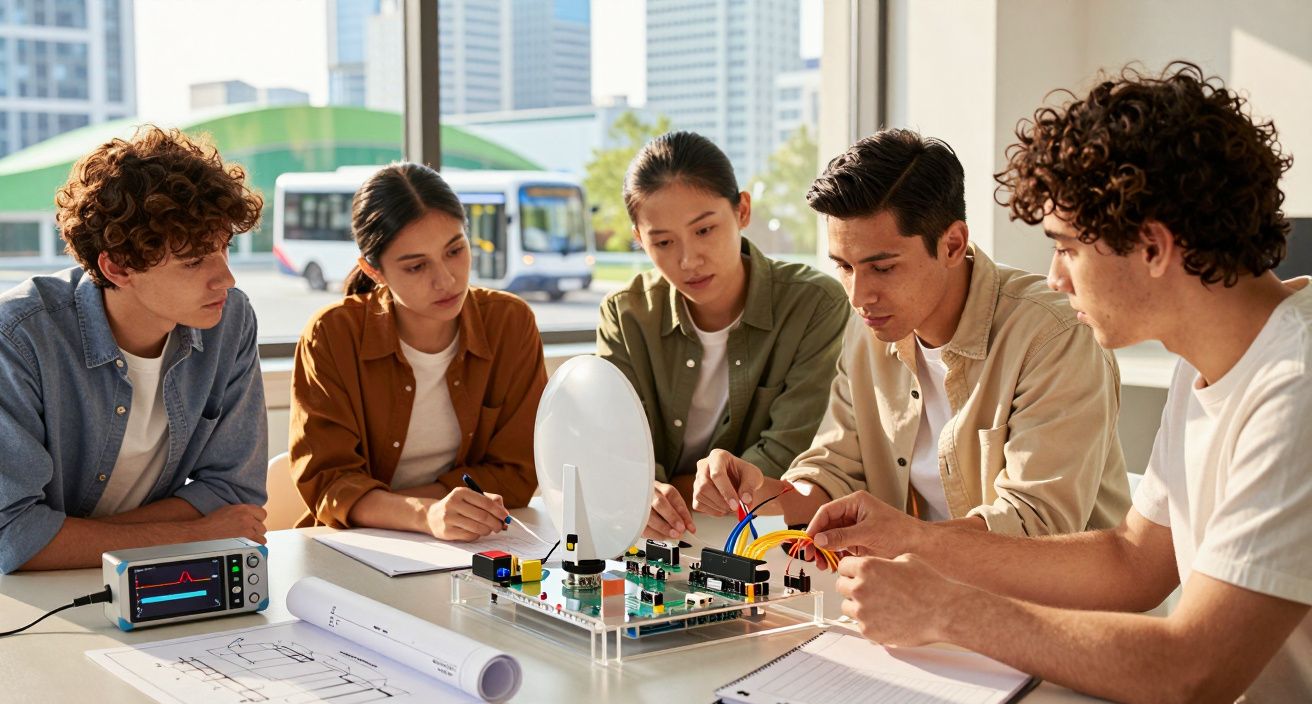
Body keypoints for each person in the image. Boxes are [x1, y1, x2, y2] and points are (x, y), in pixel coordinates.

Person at [806, 63, 1310, 704]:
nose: (1056, 277)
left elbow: (1192, 672)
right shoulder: (1211, 366)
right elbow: (1132, 562)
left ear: (1153, 247)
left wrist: (948, 610)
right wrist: (913, 542)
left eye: (1068, 248)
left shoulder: (1295, 389)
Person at [696, 129, 1129, 538]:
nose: (860, 295)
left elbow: (1036, 524)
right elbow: (833, 474)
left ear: (953, 245)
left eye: (883, 268)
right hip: (925, 596)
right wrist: (759, 493)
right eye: (844, 267)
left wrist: (905, 543)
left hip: (1055, 610)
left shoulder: (1054, 335)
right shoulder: (869, 331)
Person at [0, 126, 269, 573]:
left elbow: (234, 494)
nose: (227, 279)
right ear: (118, 267)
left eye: (225, 249)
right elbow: (13, 538)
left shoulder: (230, 320)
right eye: (195, 260)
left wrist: (72, 536)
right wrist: (194, 534)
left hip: (147, 580)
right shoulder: (19, 339)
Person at [597, 131, 849, 540]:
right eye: (663, 241)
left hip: (758, 539)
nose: (688, 259)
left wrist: (661, 490)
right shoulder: (625, 313)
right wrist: (639, 492)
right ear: (639, 240)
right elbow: (616, 446)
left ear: (742, 210)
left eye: (705, 230)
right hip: (656, 538)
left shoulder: (815, 304)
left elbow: (791, 451)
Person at [290, 162, 547, 542]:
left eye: (455, 250)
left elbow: (518, 471)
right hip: (359, 545)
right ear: (374, 271)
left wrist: (422, 510)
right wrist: (426, 515)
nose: (446, 279)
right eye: (415, 267)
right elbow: (329, 482)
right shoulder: (330, 335)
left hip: (471, 541)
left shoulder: (510, 323)